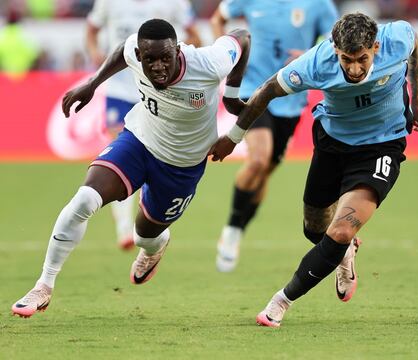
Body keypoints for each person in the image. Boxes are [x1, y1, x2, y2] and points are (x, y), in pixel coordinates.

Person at [11, 19, 250, 318]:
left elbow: (242, 37)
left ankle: (155, 247)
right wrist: (92, 84)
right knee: (85, 199)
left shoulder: (209, 63)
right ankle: (43, 286)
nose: (159, 67)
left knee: (144, 236)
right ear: (140, 56)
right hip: (138, 141)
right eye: (150, 60)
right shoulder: (134, 50)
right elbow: (121, 51)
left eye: (166, 57)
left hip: (182, 165)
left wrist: (231, 97)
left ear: (178, 50)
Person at [210, 13, 418, 327]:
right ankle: (346, 253)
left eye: (362, 59)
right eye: (346, 60)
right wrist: (233, 138)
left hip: (383, 145)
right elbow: (267, 91)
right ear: (333, 49)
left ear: (377, 46)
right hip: (332, 145)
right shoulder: (316, 63)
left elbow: (415, 43)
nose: (354, 69)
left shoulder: (397, 38)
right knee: (314, 229)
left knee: (340, 229)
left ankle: (280, 302)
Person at [209, 0, 338, 272]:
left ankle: (239, 229)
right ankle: (231, 229)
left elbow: (336, 44)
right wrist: (225, 60)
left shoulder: (319, 5)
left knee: (265, 170)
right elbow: (217, 18)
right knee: (258, 159)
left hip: (290, 97)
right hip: (253, 89)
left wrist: (309, 54)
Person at [86, 0, 202, 250]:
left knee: (156, 153)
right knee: (121, 154)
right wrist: (95, 52)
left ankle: (147, 209)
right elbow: (92, 28)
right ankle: (124, 228)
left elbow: (193, 32)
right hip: (120, 88)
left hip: (161, 91)